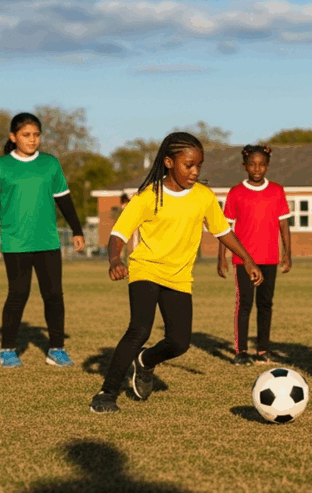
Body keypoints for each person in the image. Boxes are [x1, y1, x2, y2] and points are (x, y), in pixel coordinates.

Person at [91, 132, 263, 413]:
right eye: (188, 165)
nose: (195, 172)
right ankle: (106, 393)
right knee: (139, 329)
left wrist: (247, 259)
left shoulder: (204, 197)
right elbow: (119, 233)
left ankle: (145, 361)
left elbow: (223, 231)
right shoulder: (148, 196)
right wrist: (114, 260)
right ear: (169, 162)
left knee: (179, 342)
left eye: (199, 165)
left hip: (180, 276)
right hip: (146, 269)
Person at [0, 112, 85, 368]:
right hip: (16, 243)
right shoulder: (1, 166)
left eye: (36, 135)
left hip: (48, 241)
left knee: (53, 295)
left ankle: (57, 349)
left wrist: (77, 230)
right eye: (26, 135)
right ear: (13, 137)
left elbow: (64, 199)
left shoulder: (50, 164)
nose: (32, 140)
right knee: (18, 294)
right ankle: (7, 351)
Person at [217, 145, 292, 366]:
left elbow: (284, 223)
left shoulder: (277, 191)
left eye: (261, 164)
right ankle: (240, 352)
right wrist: (221, 257)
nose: (256, 168)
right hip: (244, 260)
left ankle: (263, 350)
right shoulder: (236, 192)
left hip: (270, 258)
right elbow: (225, 228)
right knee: (245, 304)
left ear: (267, 166)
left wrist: (288, 252)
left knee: (266, 304)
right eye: (252, 164)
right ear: (244, 166)